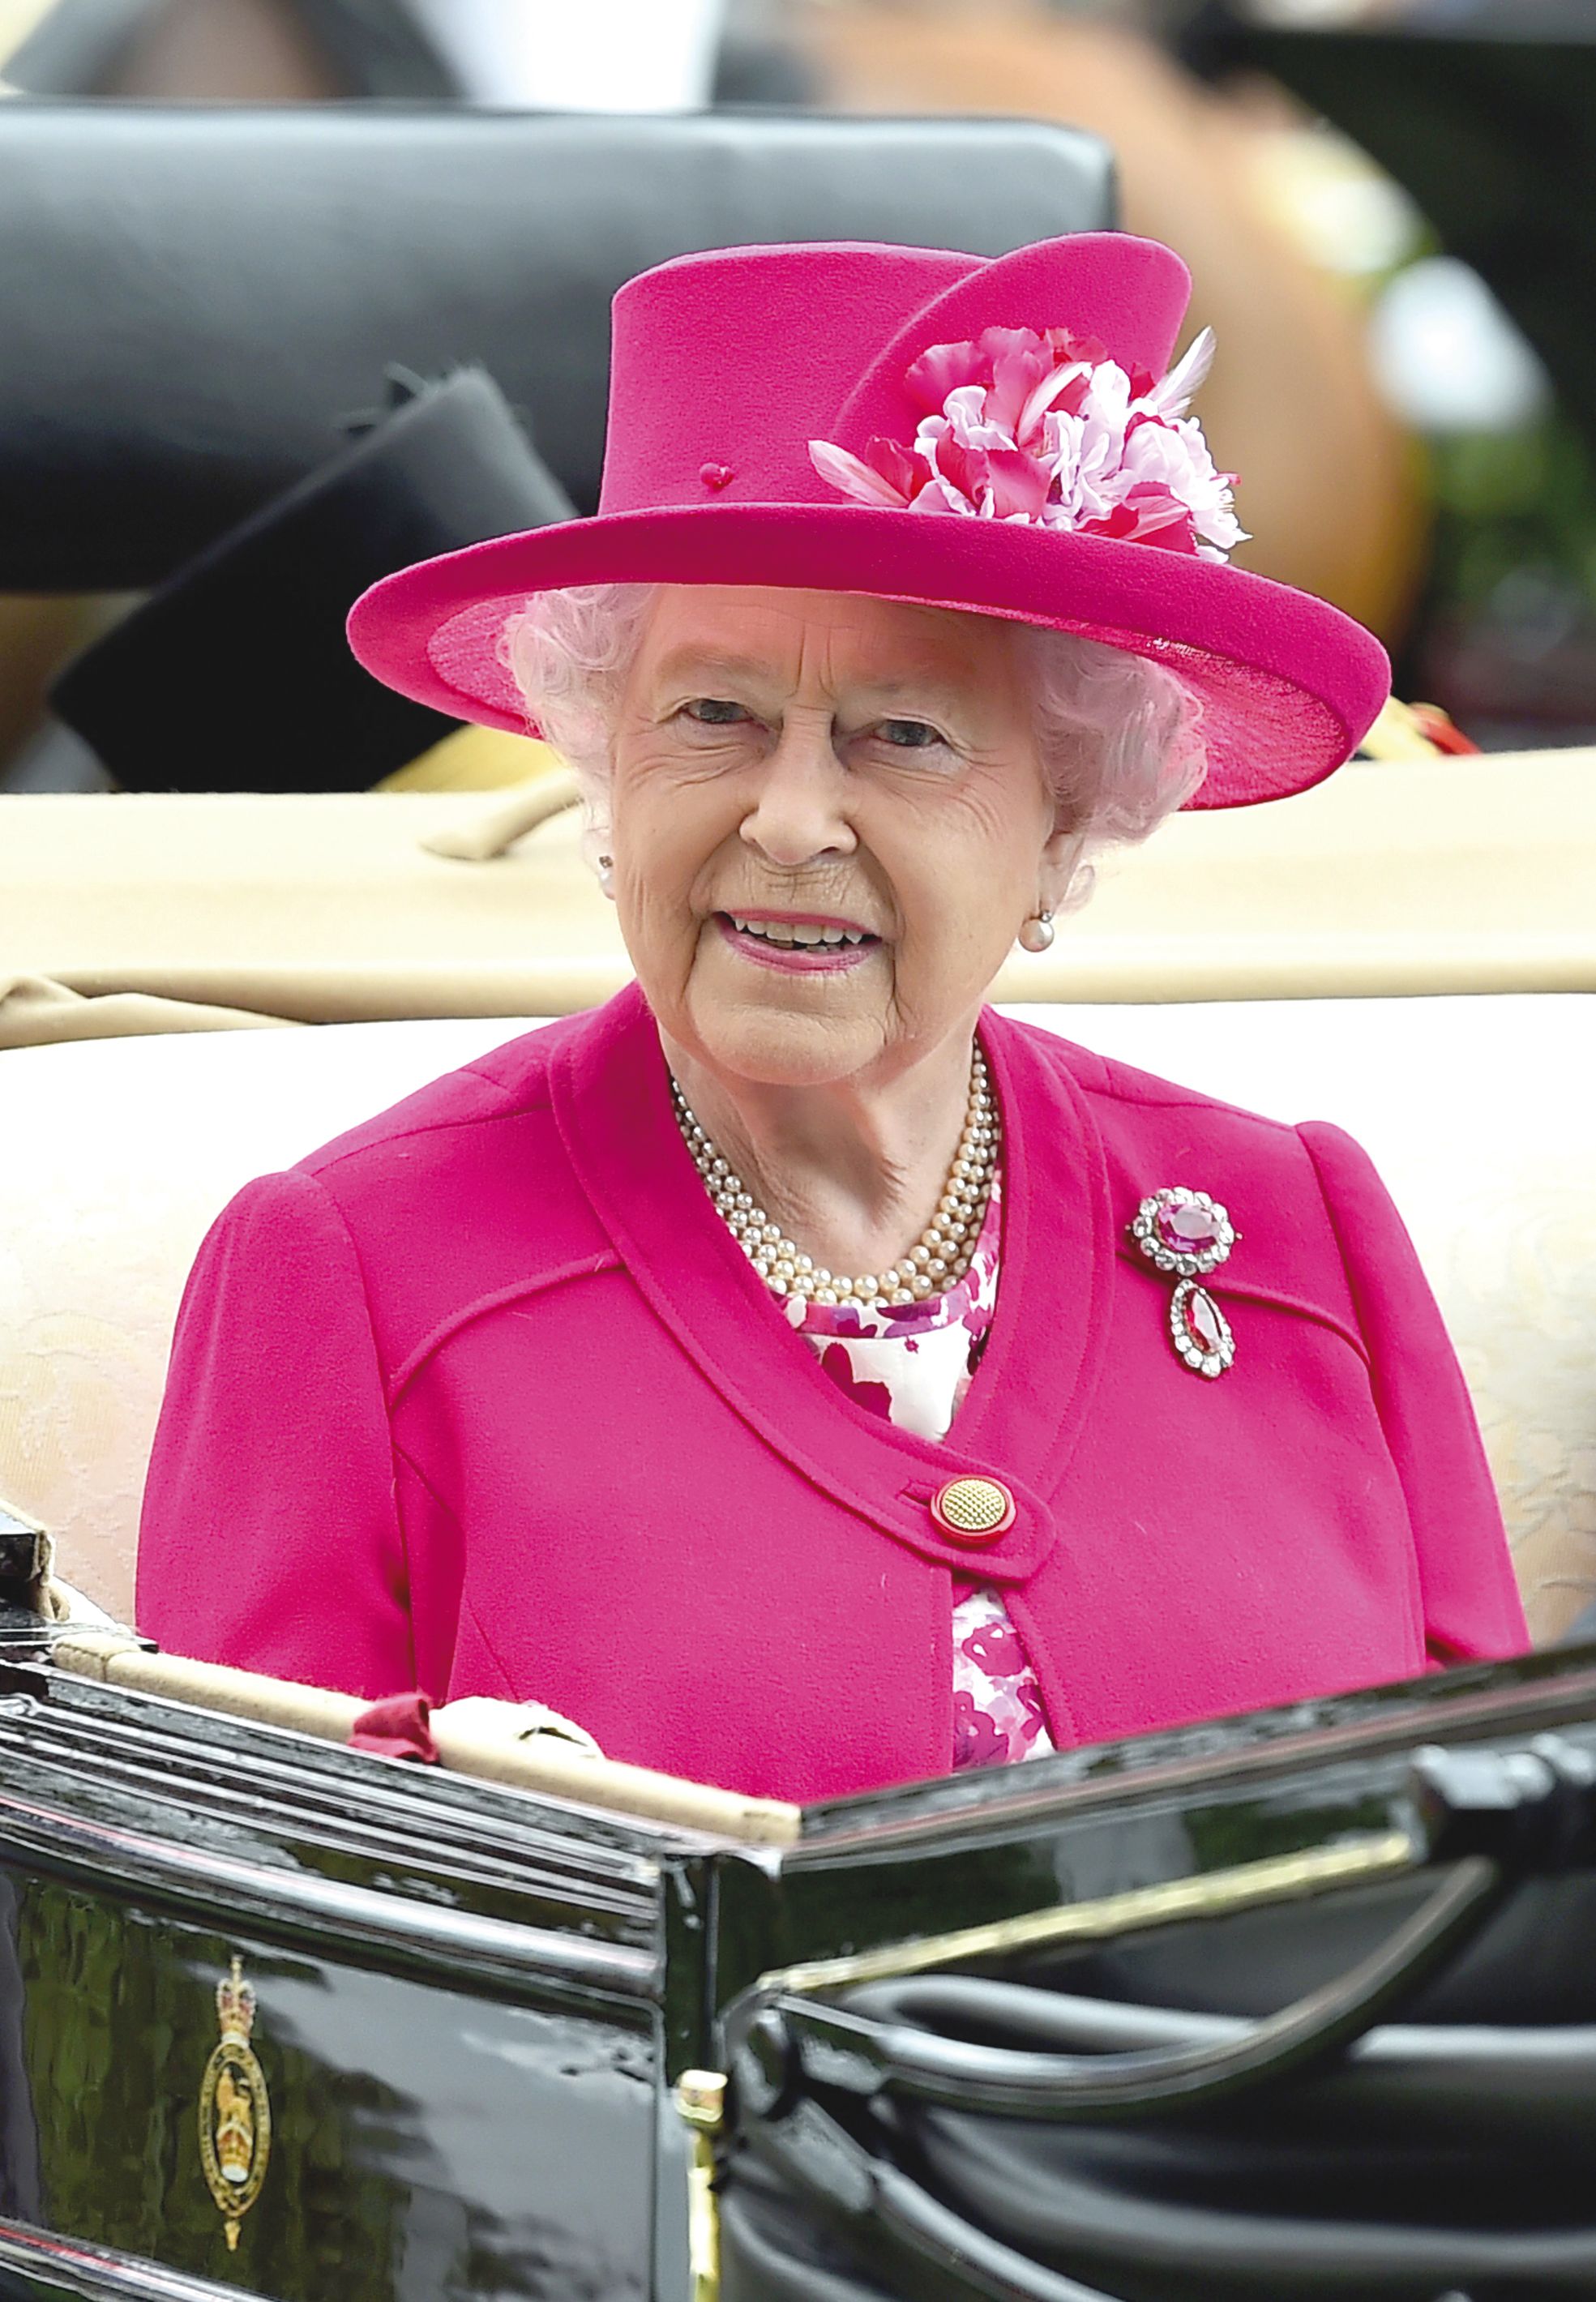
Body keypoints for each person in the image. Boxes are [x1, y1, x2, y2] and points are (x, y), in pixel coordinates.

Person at [136, 232, 1527, 1802]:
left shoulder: (1297, 1228)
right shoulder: (353, 1276)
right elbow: (254, 1977)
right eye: (712, 712)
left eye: (904, 733)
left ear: (1063, 818)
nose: (792, 817)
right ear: (605, 765)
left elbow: (1499, 1876)